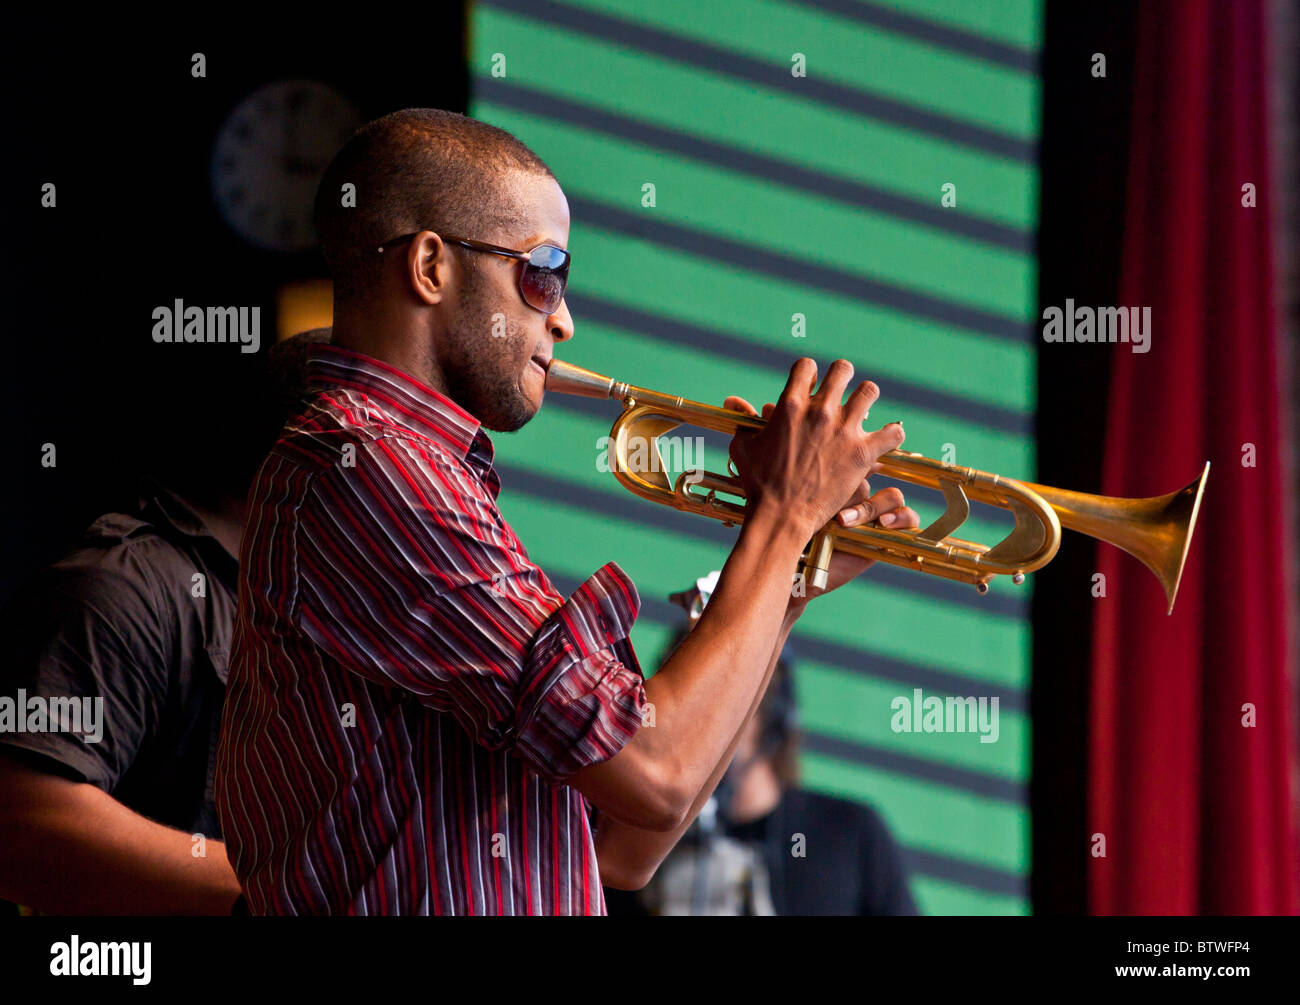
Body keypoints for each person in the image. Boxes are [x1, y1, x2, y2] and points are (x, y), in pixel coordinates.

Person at [214, 108, 919, 916]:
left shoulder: (427, 478)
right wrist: (785, 515)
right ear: (433, 266)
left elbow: (626, 844)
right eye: (542, 272)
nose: (563, 317)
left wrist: (786, 578)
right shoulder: (371, 467)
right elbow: (657, 774)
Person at [0, 329, 328, 914]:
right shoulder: (128, 588)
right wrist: (293, 898)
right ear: (308, 457)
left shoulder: (329, 622)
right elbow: (21, 821)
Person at [605, 576, 919, 916]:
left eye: (715, 709)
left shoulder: (850, 836)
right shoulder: (625, 847)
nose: (694, 734)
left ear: (773, 718)